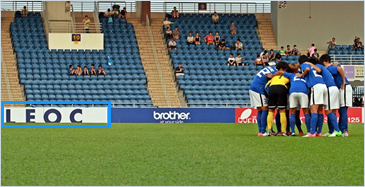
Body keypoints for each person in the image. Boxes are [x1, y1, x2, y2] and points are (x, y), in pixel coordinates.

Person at [305, 57, 342, 137]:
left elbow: (318, 70)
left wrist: (311, 64)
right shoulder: (325, 68)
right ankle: (331, 131)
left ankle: (337, 131)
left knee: (327, 111)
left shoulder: (318, 66)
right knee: (328, 111)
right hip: (333, 88)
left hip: (329, 88)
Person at [322, 54, 352, 136]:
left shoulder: (330, 67)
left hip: (344, 87)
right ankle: (333, 130)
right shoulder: (330, 67)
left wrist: (343, 81)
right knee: (335, 109)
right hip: (338, 89)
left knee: (343, 109)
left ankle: (344, 130)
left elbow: (339, 68)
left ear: (326, 61)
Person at [297, 55, 326, 137]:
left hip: (316, 86)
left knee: (314, 110)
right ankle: (319, 132)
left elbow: (307, 69)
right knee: (320, 110)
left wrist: (302, 75)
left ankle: (312, 132)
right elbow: (319, 70)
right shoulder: (313, 66)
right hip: (323, 85)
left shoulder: (304, 65)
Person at [249, 65, 278, 136]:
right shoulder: (276, 72)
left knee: (260, 110)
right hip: (258, 89)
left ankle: (261, 130)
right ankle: (262, 131)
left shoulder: (269, 68)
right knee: (264, 108)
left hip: (253, 88)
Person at [264, 62, 290, 136]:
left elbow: (267, 85)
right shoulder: (287, 75)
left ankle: (269, 130)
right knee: (282, 110)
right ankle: (284, 131)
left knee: (271, 110)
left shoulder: (273, 76)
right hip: (281, 88)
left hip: (272, 88)